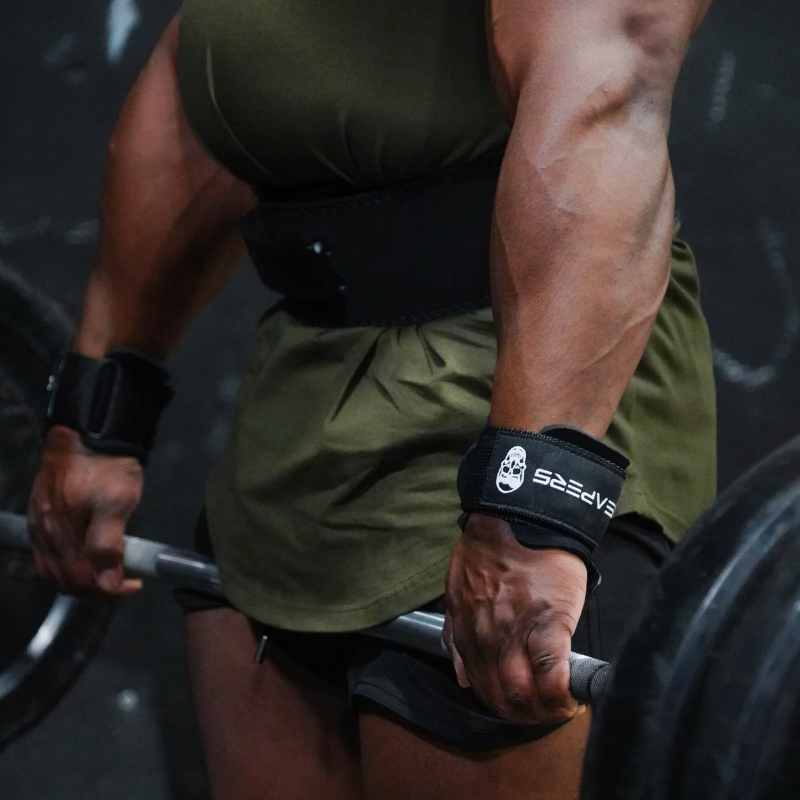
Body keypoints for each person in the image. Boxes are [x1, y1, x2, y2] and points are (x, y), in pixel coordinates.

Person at [27, 1, 717, 798]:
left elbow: (604, 97)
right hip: (293, 426)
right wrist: (101, 409)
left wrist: (533, 505)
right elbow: (215, 69)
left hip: (509, 406)